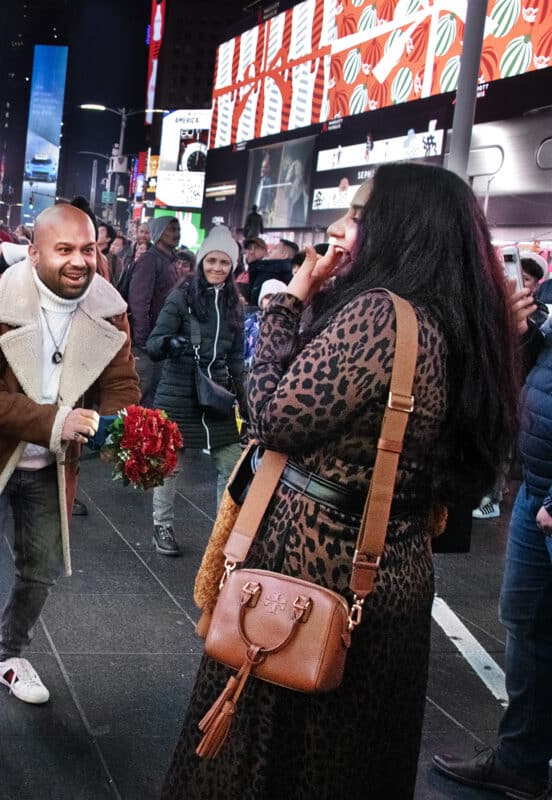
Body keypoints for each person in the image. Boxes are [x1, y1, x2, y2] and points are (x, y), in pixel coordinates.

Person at [162, 163, 520, 798]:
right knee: (355, 749)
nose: (337, 229)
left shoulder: (381, 315)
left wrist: (285, 302)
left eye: (356, 216)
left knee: (273, 750)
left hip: (314, 561)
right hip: (394, 566)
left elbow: (275, 416)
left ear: (397, 230)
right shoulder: (459, 319)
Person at [0, 203, 140, 754]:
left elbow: (121, 388)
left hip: (49, 468)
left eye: (88, 249)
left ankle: (7, 657)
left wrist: (134, 435)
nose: (79, 261)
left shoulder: (109, 311)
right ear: (36, 250)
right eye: (64, 250)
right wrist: (55, 421)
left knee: (41, 570)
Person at [433, 251, 552, 799]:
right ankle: (521, 760)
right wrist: (519, 334)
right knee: (526, 625)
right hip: (535, 492)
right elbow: (533, 376)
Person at [145, 225, 247, 556]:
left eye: (224, 263)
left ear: (233, 267)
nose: (217, 268)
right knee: (170, 466)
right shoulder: (182, 297)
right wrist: (170, 343)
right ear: (202, 260)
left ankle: (222, 536)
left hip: (215, 398)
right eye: (211, 261)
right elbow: (154, 343)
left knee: (230, 466)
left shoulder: (235, 304)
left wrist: (245, 400)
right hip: (178, 393)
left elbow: (235, 358)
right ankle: (162, 526)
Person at [124, 215, 181, 406]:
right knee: (142, 396)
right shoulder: (150, 260)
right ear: (159, 234)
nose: (176, 234)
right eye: (171, 229)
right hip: (148, 346)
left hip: (160, 342)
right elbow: (139, 302)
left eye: (177, 229)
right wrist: (144, 340)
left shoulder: (170, 261)